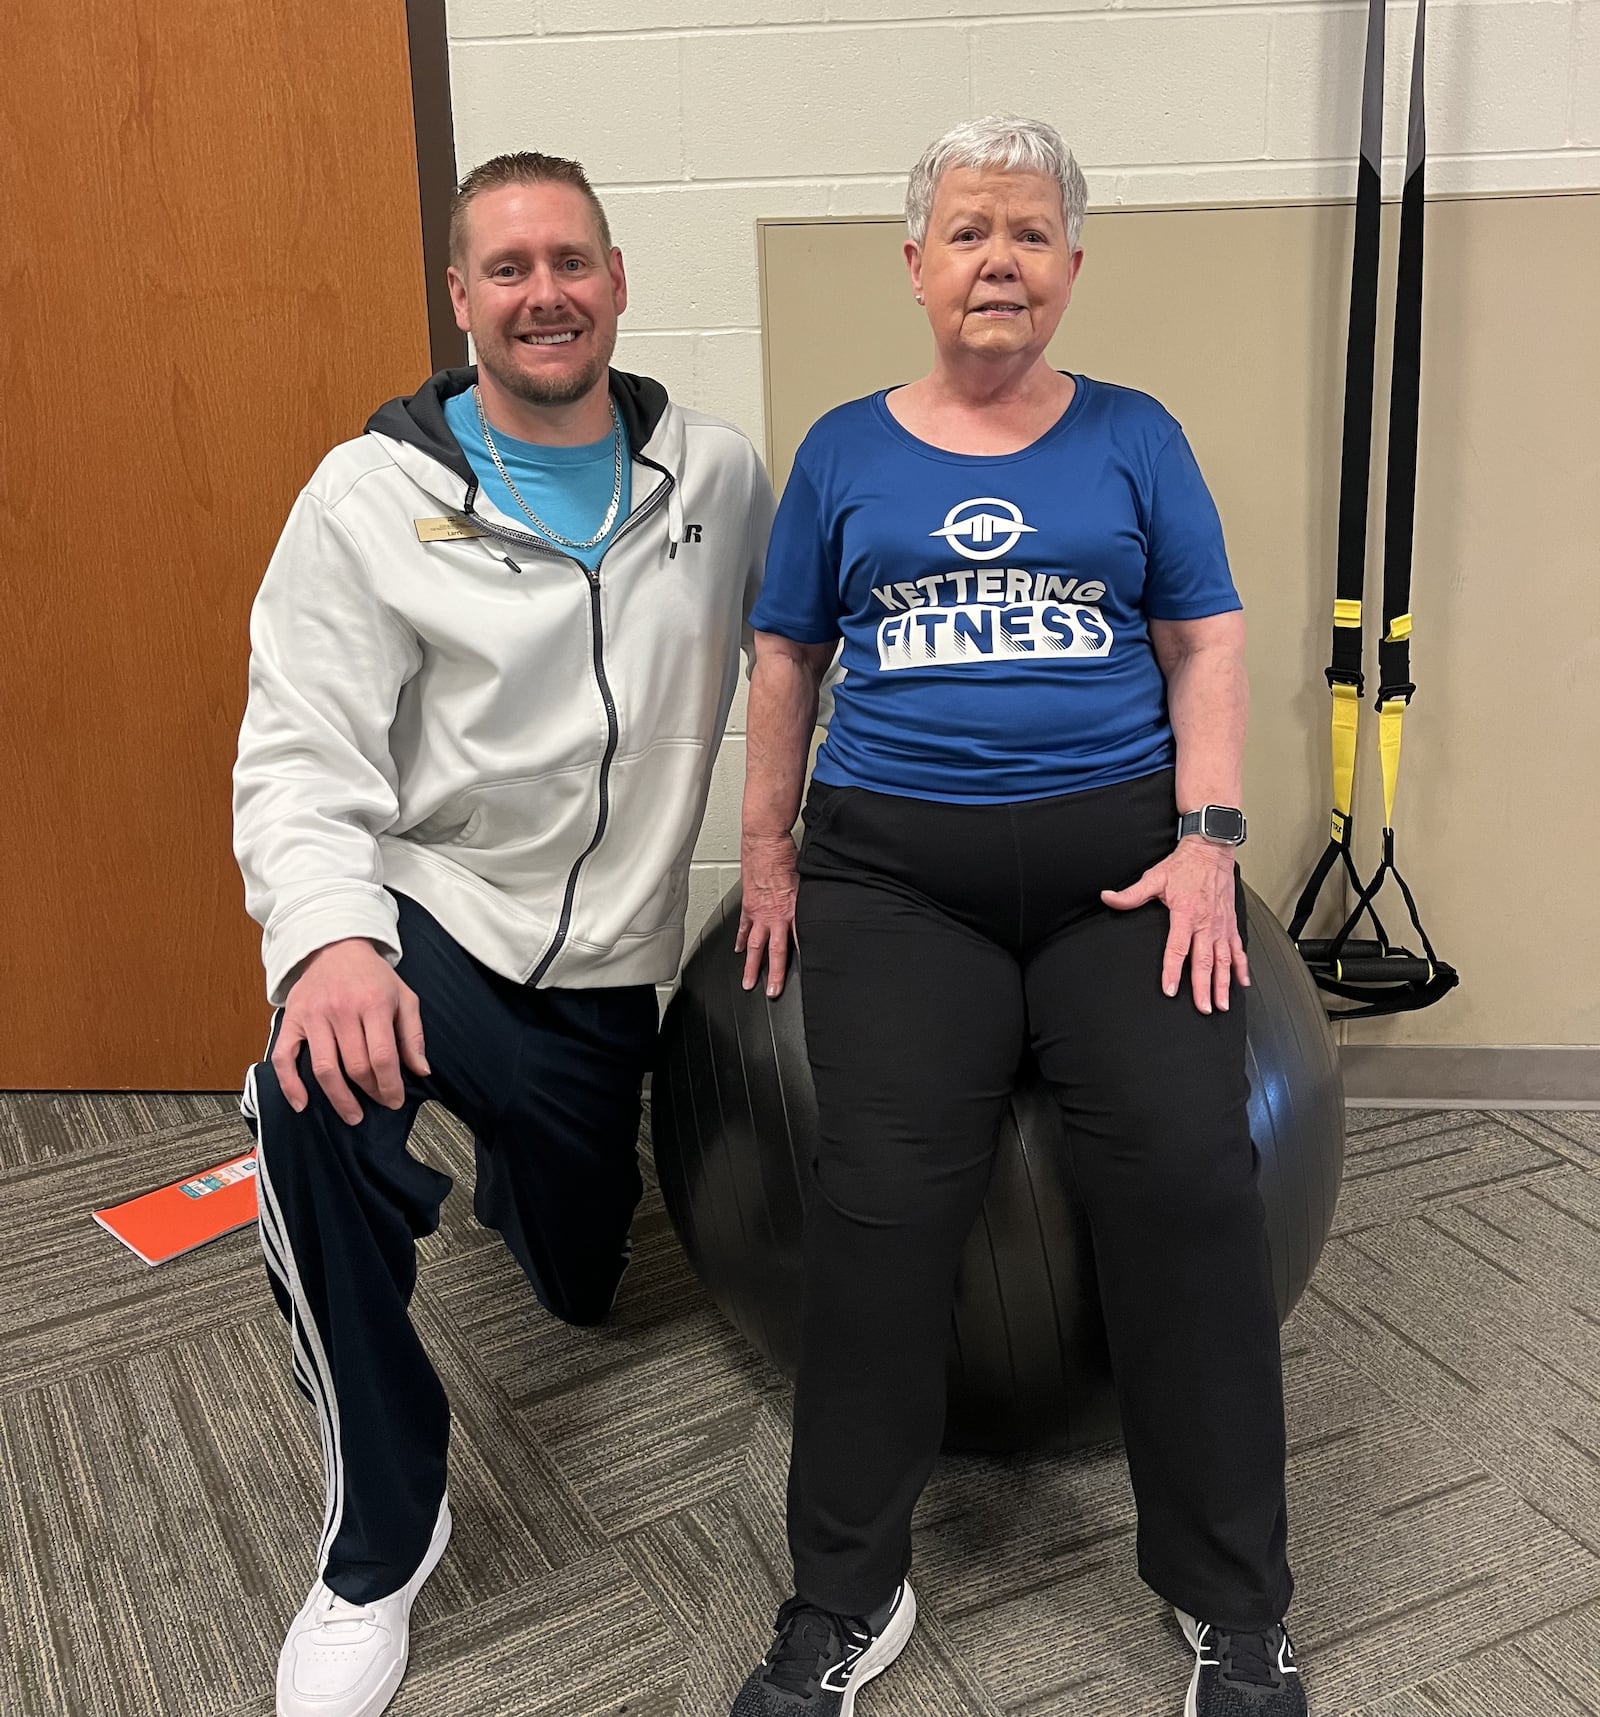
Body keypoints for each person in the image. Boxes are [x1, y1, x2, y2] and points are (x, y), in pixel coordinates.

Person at [731, 116, 1307, 1717]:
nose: (1001, 258)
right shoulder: (846, 450)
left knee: (1193, 1175)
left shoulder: (1134, 436)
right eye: (970, 231)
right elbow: (787, 660)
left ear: (1070, 269)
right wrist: (765, 852)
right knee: (881, 1201)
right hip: (897, 882)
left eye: (1032, 233)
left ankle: (1234, 1602)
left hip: (1123, 873)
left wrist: (1209, 839)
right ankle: (846, 1593)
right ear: (915, 264)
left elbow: (1204, 640)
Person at [233, 151, 773, 1717]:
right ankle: (378, 1541)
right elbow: (298, 751)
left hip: (609, 975)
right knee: (311, 1095)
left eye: (571, 261)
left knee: (586, 1283)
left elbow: (812, 659)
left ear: (615, 281)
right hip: (432, 925)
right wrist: (328, 941)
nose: (545, 292)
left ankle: (506, 1180)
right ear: (462, 300)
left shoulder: (717, 479)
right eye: (508, 268)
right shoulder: (369, 495)